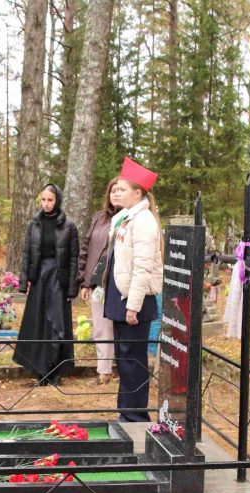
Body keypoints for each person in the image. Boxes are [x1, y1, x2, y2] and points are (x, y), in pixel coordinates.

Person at [104, 157, 163, 423]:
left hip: (134, 300)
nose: (118, 192)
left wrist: (133, 305)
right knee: (124, 358)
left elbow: (142, 267)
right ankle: (126, 412)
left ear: (138, 193)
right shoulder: (126, 217)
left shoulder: (144, 221)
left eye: (124, 189)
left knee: (133, 360)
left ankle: (135, 416)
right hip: (121, 296)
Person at [13, 184, 79, 386]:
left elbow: (74, 258)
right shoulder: (34, 224)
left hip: (59, 278)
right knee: (39, 323)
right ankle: (40, 370)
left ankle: (56, 370)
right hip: (40, 277)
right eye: (43, 199)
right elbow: (26, 254)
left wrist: (71, 287)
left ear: (57, 200)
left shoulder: (69, 225)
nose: (46, 204)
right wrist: (24, 282)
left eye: (50, 200)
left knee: (57, 324)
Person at [78, 178, 120, 385]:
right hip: (98, 282)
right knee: (101, 327)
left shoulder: (131, 219)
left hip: (121, 281)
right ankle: (104, 371)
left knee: (121, 327)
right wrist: (85, 282)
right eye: (113, 191)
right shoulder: (99, 218)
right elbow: (86, 248)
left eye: (121, 190)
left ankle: (123, 368)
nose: (116, 194)